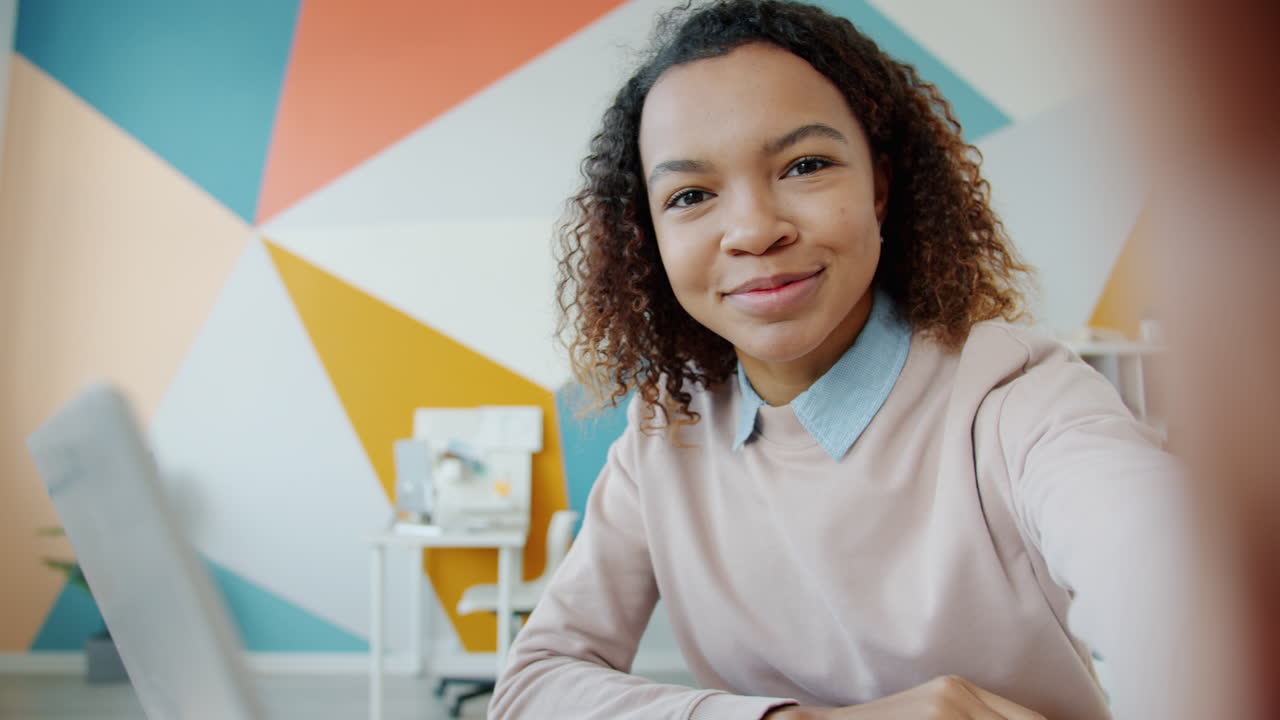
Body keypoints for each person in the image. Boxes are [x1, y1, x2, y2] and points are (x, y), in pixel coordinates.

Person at [490, 2, 1188, 718]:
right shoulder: (667, 430)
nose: (753, 231)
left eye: (806, 165)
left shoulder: (1019, 402)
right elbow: (532, 689)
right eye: (691, 195)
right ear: (650, 236)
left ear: (878, 188)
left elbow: (1186, 601)